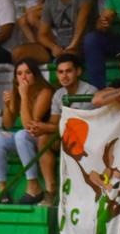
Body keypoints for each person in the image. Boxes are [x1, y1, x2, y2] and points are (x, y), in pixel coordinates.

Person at [34, 54, 96, 206]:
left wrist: (46, 127)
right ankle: (51, 190)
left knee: (47, 132)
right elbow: (55, 123)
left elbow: (82, 127)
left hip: (90, 140)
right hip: (68, 138)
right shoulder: (59, 94)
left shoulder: (90, 91)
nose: (64, 75)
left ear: (78, 72)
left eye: (68, 71)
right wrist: (44, 127)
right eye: (61, 72)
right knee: (44, 138)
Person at [0, 59, 53, 204]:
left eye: (27, 73)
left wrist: (24, 96)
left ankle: (33, 185)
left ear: (35, 75)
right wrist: (7, 106)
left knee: (21, 134)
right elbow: (7, 125)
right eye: (19, 74)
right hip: (27, 138)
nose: (23, 77)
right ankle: (2, 189)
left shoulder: (45, 91)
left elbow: (29, 127)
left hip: (43, 137)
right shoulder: (18, 91)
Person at [11, 0, 93, 66]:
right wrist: (53, 47)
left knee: (67, 59)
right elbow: (42, 34)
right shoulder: (51, 1)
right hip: (57, 47)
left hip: (78, 46)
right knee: (17, 53)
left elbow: (81, 23)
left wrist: (72, 46)